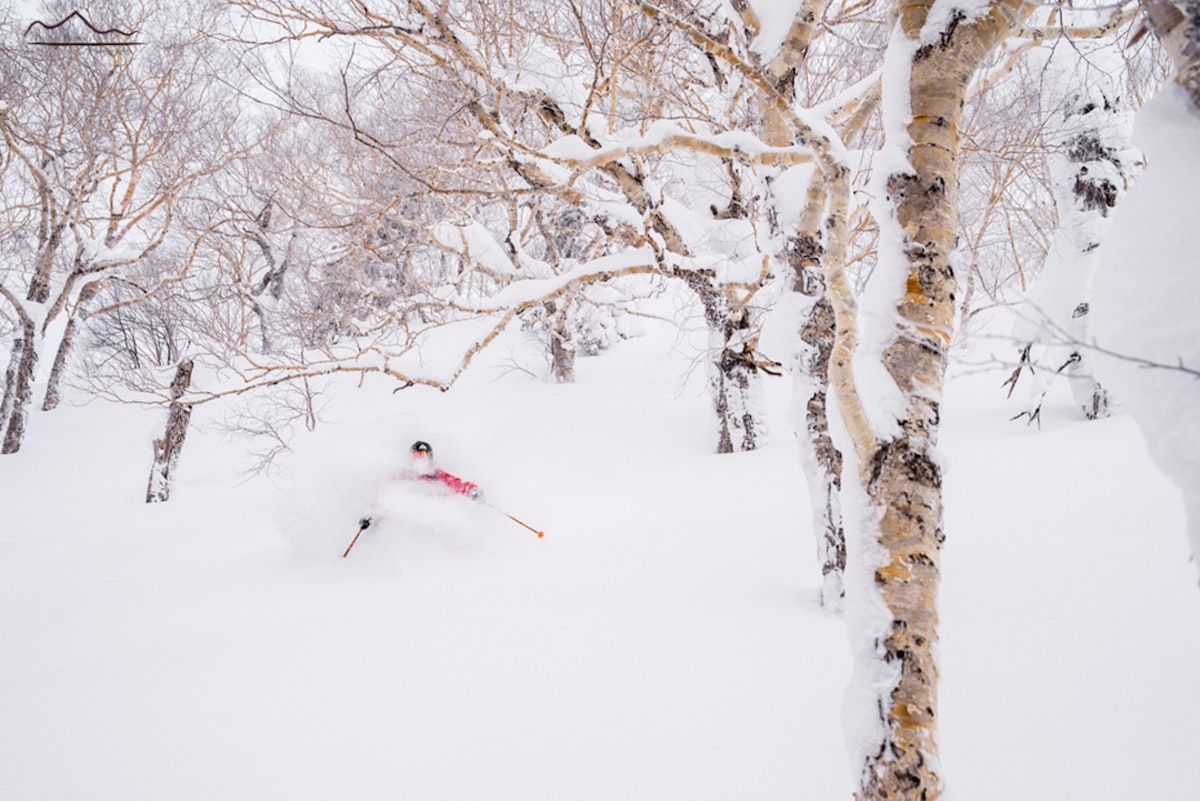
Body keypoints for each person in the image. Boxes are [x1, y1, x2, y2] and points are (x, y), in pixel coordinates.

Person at [357, 441, 483, 531]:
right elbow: (385, 495)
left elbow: (458, 484)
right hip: (408, 525)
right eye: (414, 456)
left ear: (429, 457)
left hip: (435, 522)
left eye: (421, 455)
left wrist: (472, 490)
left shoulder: (437, 476)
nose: (418, 459)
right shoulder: (404, 476)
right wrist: (371, 514)